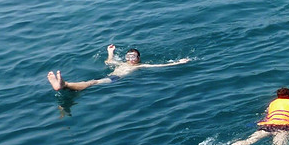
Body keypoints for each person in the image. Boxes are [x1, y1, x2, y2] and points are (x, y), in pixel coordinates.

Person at [212, 87, 289, 145]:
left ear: (278, 96)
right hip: (283, 126)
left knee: (248, 141)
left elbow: (268, 113)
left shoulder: (272, 103)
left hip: (268, 125)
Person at [47, 44, 189, 92]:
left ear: (138, 58)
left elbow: (160, 65)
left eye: (133, 56)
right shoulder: (122, 64)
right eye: (128, 56)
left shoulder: (141, 65)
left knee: (92, 83)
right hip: (109, 77)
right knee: (91, 82)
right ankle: (64, 85)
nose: (130, 59)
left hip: (116, 79)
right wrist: (110, 52)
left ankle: (64, 84)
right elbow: (109, 62)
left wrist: (179, 62)